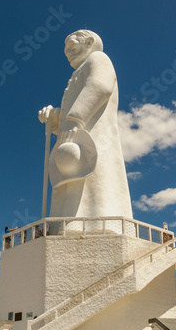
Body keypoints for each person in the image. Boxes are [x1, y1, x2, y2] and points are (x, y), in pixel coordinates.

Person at [38, 30, 133, 219]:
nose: (68, 53)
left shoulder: (98, 58)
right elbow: (68, 113)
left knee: (95, 181)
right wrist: (55, 118)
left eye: (73, 47)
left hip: (94, 135)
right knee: (72, 185)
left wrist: (74, 119)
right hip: (75, 137)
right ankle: (69, 222)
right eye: (66, 52)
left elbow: (99, 86)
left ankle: (98, 221)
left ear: (89, 42)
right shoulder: (77, 72)